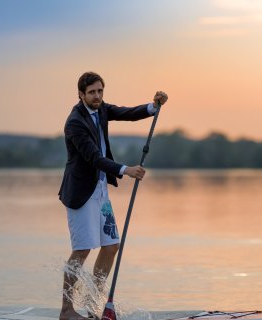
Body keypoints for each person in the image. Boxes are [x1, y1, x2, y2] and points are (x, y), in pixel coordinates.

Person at [58, 71, 168, 320]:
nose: (97, 96)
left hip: (100, 192)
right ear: (80, 94)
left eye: (100, 91)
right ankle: (66, 310)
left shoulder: (102, 109)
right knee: (82, 250)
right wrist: (125, 170)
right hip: (80, 195)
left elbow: (127, 113)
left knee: (110, 246)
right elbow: (94, 158)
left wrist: (154, 106)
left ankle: (93, 304)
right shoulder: (74, 122)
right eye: (92, 92)